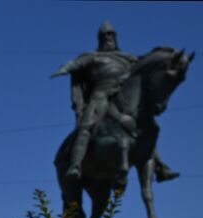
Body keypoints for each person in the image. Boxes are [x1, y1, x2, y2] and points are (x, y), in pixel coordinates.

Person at [54, 21, 179, 182]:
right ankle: (76, 165)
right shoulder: (92, 57)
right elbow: (76, 64)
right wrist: (65, 68)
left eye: (111, 34)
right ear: (99, 38)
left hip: (123, 99)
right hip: (99, 98)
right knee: (86, 126)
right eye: (105, 35)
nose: (108, 37)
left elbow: (146, 63)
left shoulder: (128, 58)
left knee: (145, 127)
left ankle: (160, 167)